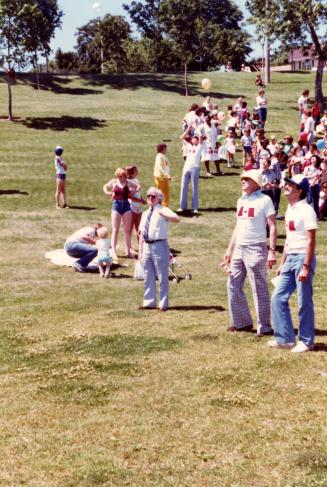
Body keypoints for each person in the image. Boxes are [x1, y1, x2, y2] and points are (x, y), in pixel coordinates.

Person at [221, 169, 277, 336]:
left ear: (256, 183)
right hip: (239, 248)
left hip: (256, 248)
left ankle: (264, 327)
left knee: (258, 287)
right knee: (232, 284)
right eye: (243, 179)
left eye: (247, 179)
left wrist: (272, 251)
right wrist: (229, 250)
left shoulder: (265, 200)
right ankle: (242, 323)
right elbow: (238, 227)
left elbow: (273, 226)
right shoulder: (241, 201)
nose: (243, 181)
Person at [269, 174, 317, 352]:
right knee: (277, 298)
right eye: (287, 184)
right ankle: (285, 339)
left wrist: (305, 266)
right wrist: (282, 263)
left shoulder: (307, 211)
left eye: (291, 185)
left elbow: (311, 241)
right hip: (290, 259)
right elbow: (289, 240)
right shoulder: (290, 209)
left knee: (304, 301)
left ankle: (306, 341)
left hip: (303, 258)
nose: (286, 186)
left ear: (300, 190)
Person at [138, 187, 180, 310]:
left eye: (153, 196)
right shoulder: (145, 213)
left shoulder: (163, 210)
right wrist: (140, 250)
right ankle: (149, 302)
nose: (150, 198)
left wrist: (164, 214)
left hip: (159, 245)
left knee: (162, 276)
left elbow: (177, 219)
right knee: (148, 275)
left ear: (159, 198)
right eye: (148, 196)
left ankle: (163, 304)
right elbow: (141, 233)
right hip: (146, 246)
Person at [103, 168, 140, 263]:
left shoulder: (128, 182)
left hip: (126, 206)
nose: (122, 178)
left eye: (124, 176)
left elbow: (138, 186)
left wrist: (133, 192)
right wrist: (107, 192)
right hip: (116, 205)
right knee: (115, 229)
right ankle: (114, 251)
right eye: (120, 177)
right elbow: (105, 186)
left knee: (127, 230)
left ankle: (128, 251)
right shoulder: (114, 182)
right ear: (117, 176)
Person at [178, 125, 204, 213]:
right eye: (193, 138)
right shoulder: (189, 146)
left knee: (194, 187)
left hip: (195, 168)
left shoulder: (199, 147)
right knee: (183, 187)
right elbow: (181, 137)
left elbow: (201, 136)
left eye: (196, 139)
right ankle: (182, 207)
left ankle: (195, 208)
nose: (194, 139)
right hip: (186, 168)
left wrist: (196, 128)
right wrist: (188, 129)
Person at [126, 164, 146, 246]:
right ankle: (129, 247)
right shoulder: (129, 183)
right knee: (130, 228)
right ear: (132, 172)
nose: (137, 171)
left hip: (138, 207)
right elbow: (130, 197)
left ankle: (140, 245)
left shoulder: (136, 181)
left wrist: (142, 199)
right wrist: (140, 200)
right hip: (132, 207)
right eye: (136, 170)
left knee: (139, 228)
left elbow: (137, 194)